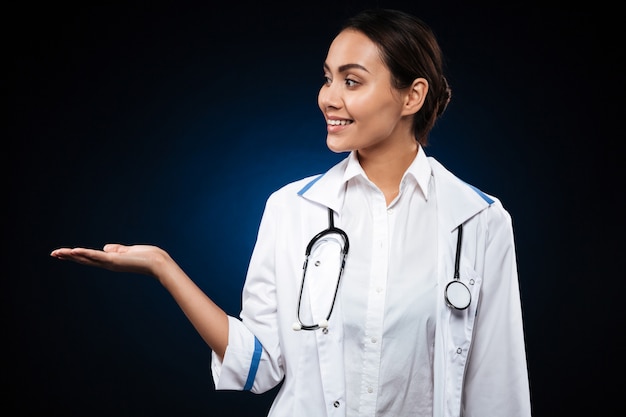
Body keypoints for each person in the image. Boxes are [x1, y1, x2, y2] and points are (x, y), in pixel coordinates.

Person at [50, 8, 531, 417]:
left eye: (352, 81)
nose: (329, 98)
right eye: (327, 77)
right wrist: (163, 267)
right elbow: (260, 366)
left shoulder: (478, 222)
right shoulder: (291, 210)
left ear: (412, 96)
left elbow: (499, 392)